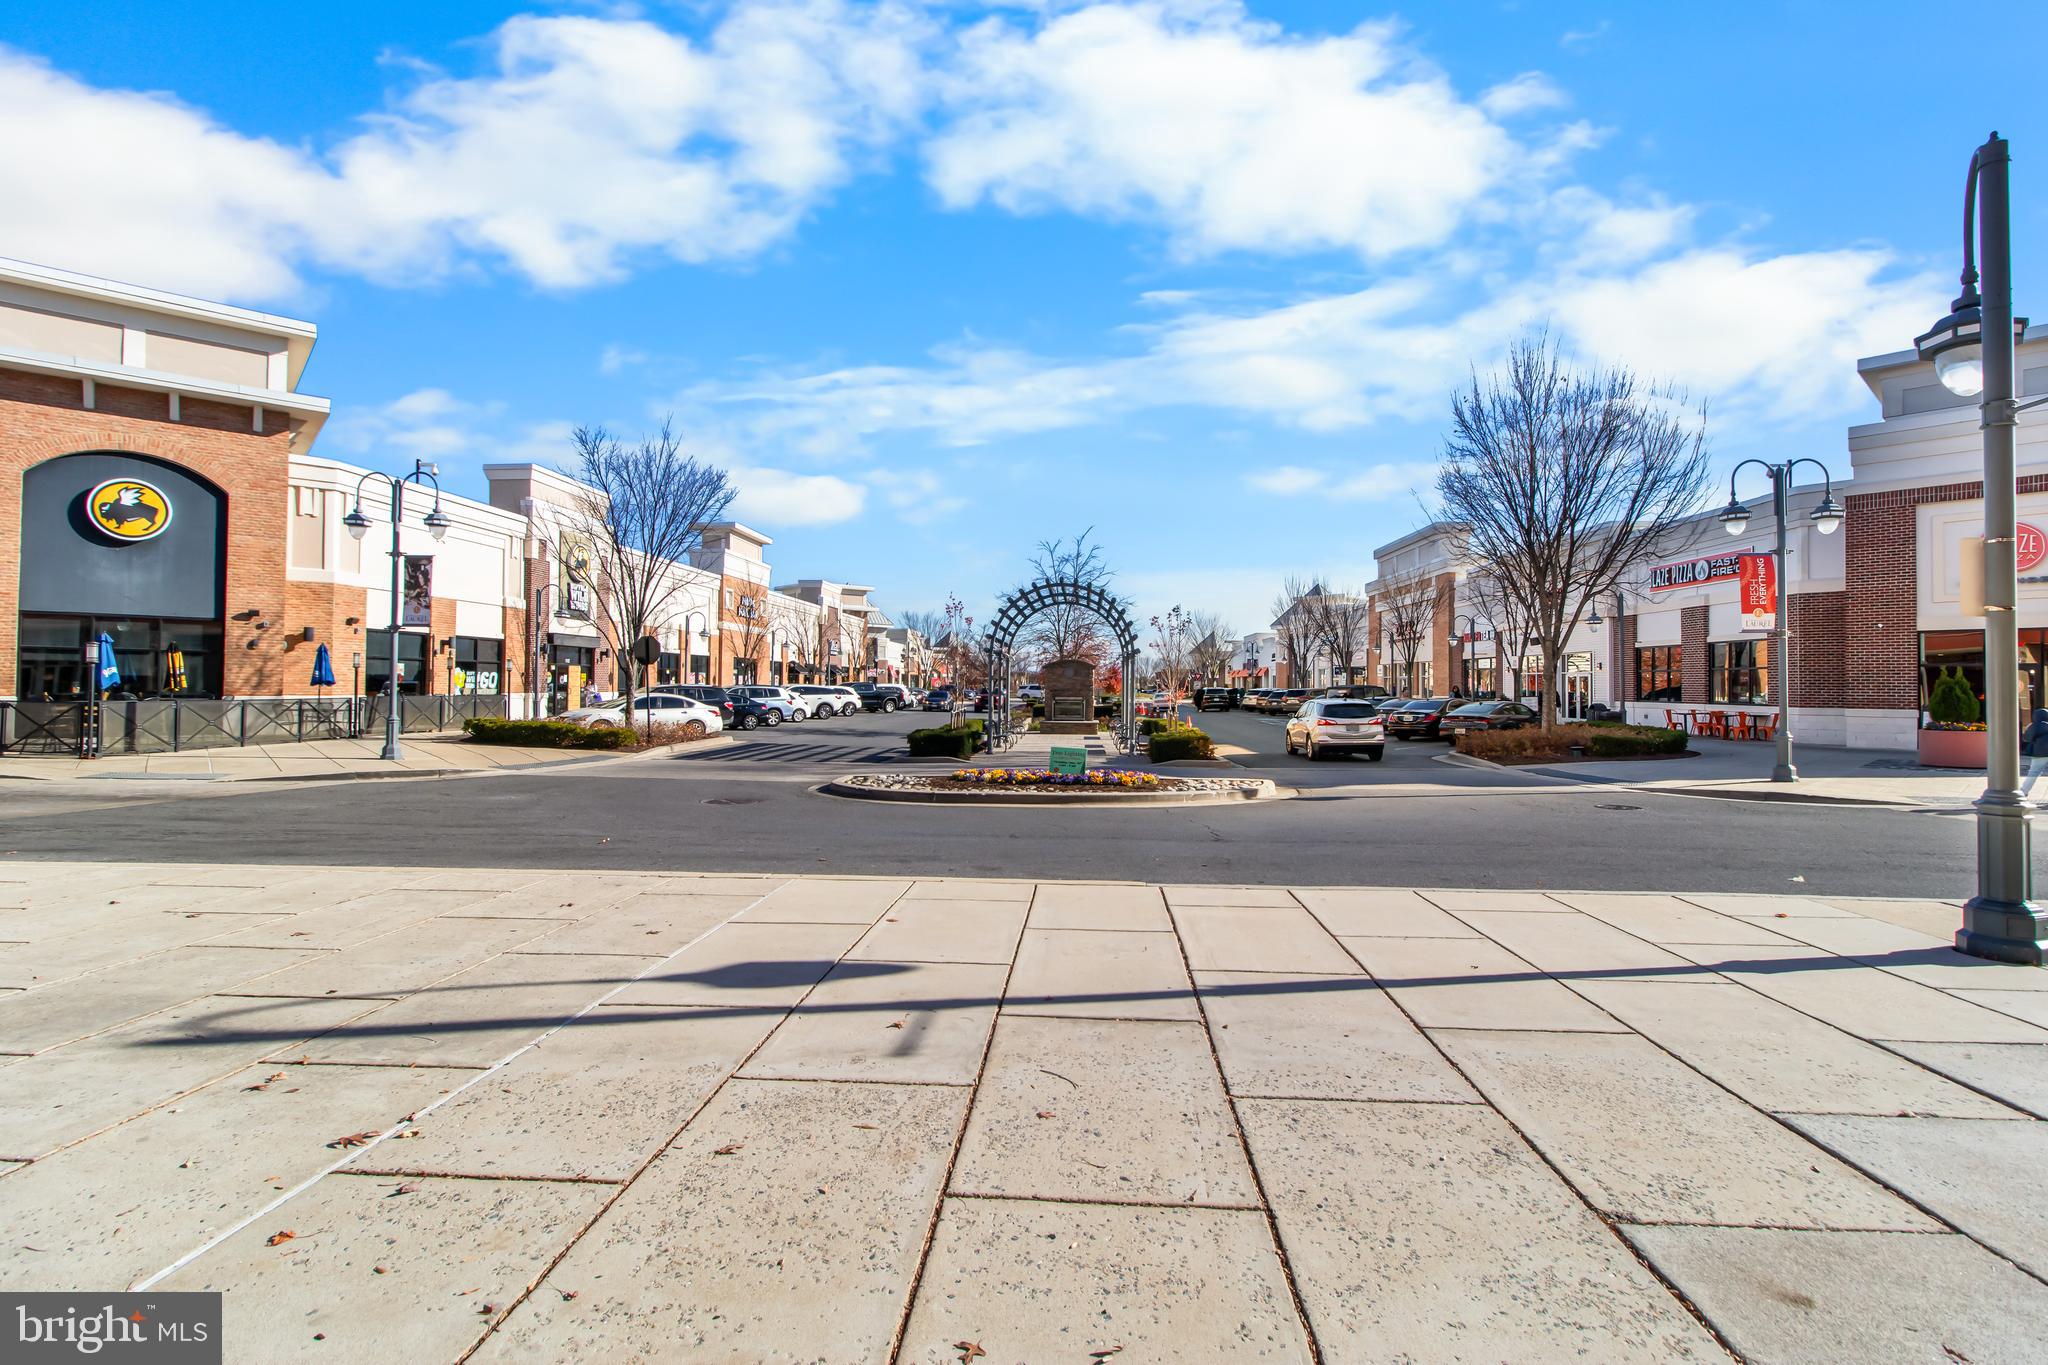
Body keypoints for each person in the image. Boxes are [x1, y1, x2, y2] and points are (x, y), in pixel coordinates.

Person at [2023, 708, 2048, 797]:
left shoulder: (2034, 726)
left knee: (2033, 772)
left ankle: (2024, 791)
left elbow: (2026, 738)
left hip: (2039, 753)